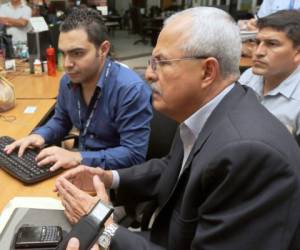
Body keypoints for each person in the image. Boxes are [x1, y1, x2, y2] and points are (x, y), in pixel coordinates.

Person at [55, 7, 300, 250]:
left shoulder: (249, 154)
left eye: (161, 62)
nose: (149, 74)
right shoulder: (208, 111)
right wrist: (109, 178)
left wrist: (105, 228)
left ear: (207, 71)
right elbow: (173, 167)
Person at [4, 7, 152, 171]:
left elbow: (134, 155)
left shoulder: (130, 90)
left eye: (77, 53)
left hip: (112, 175)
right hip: (80, 162)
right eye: (64, 54)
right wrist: (40, 135)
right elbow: (61, 120)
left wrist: (77, 157)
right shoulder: (68, 81)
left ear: (103, 49)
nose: (67, 64)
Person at [239, 10, 300, 138]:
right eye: (256, 42)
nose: (258, 52)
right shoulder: (248, 76)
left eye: (272, 44)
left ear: (297, 53)